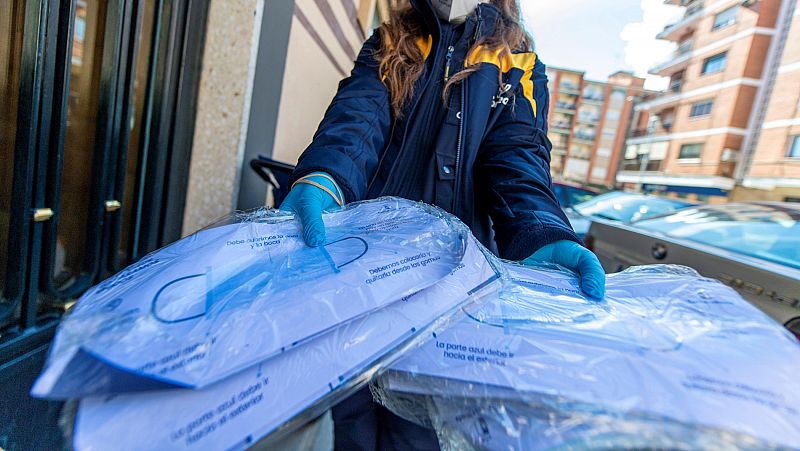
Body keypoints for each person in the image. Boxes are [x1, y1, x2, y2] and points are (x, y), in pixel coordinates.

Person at [280, 0, 606, 448]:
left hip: (449, 296)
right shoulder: (390, 40)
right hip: (357, 282)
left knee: (418, 429)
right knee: (346, 420)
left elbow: (518, 161)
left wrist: (540, 230)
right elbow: (356, 122)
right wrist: (325, 175)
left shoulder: (518, 64)